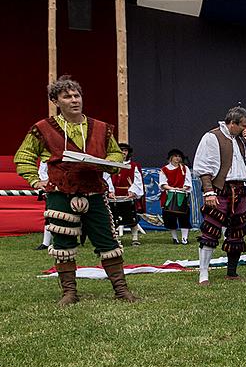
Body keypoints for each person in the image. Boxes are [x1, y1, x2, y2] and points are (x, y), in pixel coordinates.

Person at [13, 76, 137, 305]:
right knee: (62, 245)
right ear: (56, 101)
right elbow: (23, 157)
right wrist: (35, 181)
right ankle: (69, 292)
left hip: (95, 192)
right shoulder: (42, 128)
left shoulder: (101, 128)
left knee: (108, 242)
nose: (74, 100)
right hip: (61, 194)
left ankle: (121, 290)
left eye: (76, 95)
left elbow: (116, 154)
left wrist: (110, 162)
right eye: (67, 96)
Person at [193, 106, 246, 285]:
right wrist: (208, 191)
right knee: (210, 230)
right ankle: (204, 274)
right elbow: (203, 167)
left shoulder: (242, 140)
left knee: (237, 232)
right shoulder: (212, 137)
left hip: (240, 190)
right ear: (232, 123)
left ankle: (232, 272)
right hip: (219, 190)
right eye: (243, 125)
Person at [108, 142, 145, 246]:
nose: (123, 152)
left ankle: (135, 238)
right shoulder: (111, 164)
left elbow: (138, 181)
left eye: (125, 150)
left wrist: (133, 191)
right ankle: (115, 239)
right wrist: (110, 191)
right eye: (121, 150)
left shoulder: (133, 166)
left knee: (132, 217)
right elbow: (107, 178)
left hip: (128, 195)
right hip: (115, 195)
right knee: (114, 218)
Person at [159, 148, 193, 245]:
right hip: (168, 196)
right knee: (170, 218)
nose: (177, 158)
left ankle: (184, 238)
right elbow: (163, 183)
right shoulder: (164, 169)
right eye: (175, 156)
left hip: (182, 195)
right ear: (171, 158)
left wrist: (183, 189)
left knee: (184, 217)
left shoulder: (184, 168)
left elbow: (188, 182)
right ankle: (175, 238)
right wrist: (172, 189)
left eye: (179, 156)